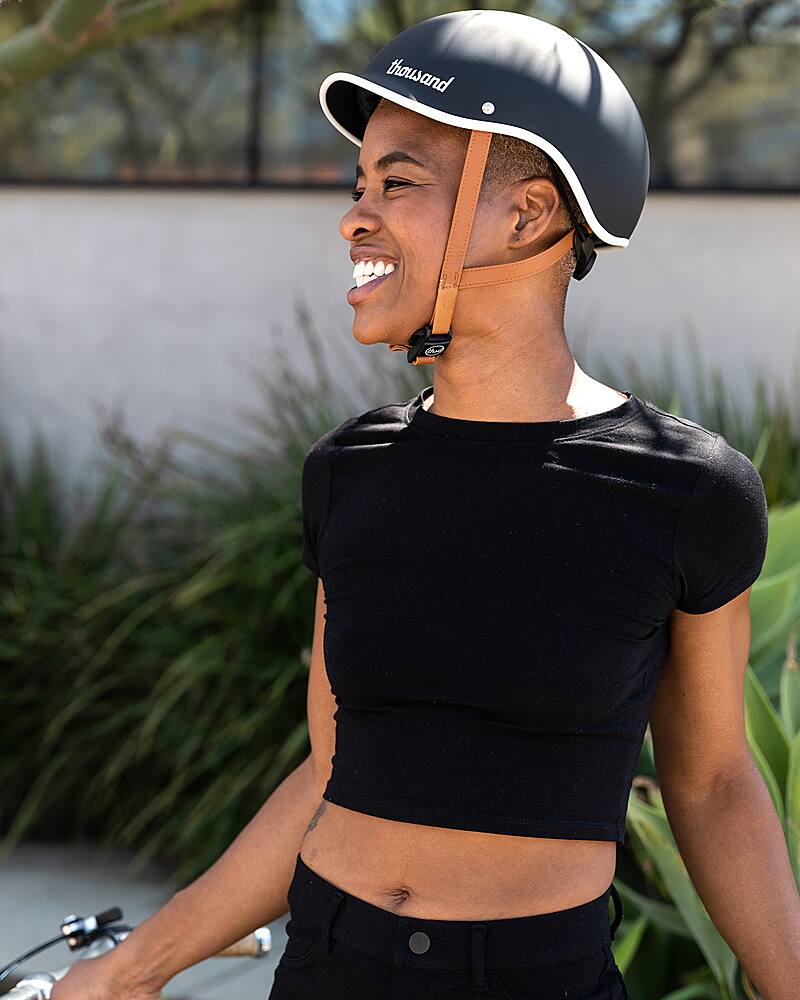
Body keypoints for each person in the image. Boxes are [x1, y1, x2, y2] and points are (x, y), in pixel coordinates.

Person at [51, 11, 795, 1000]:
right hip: (329, 966)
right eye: (358, 186)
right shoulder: (347, 472)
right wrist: (130, 971)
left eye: (396, 184)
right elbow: (329, 774)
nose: (354, 219)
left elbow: (712, 784)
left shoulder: (685, 491)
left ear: (529, 215)